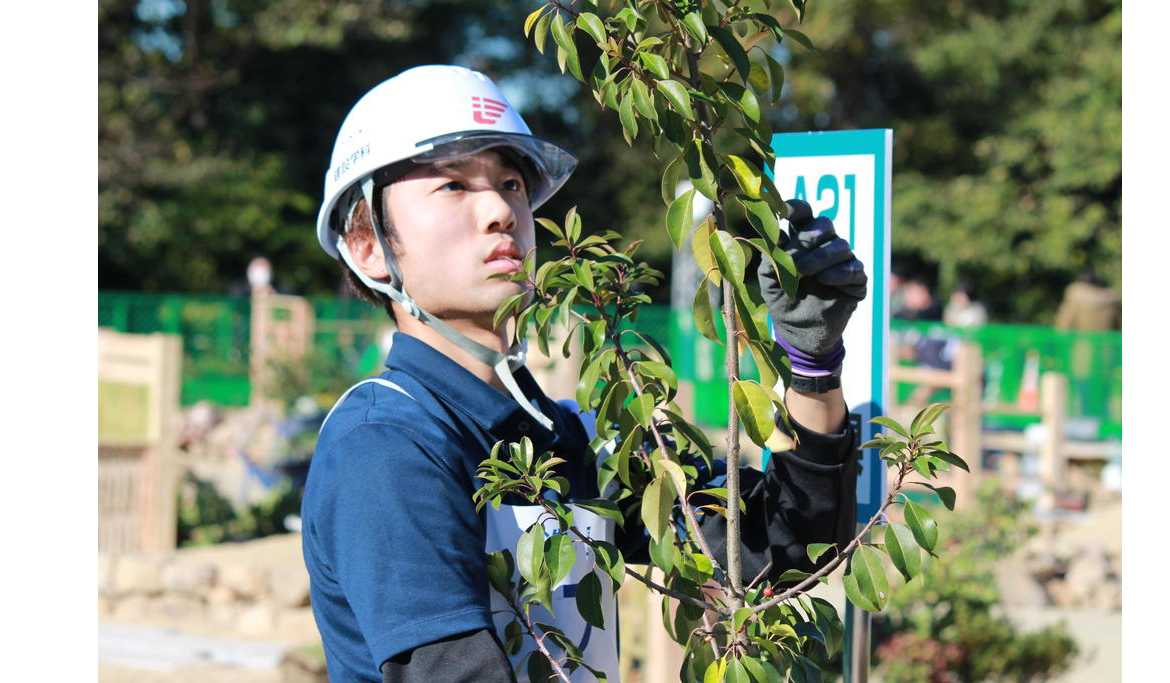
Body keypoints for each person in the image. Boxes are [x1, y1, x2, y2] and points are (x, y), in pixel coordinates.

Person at [301, 65, 869, 683]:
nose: (500, 209)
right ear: (366, 244)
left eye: (512, 183)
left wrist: (811, 364)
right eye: (453, 187)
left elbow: (771, 558)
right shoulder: (386, 443)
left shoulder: (571, 437)